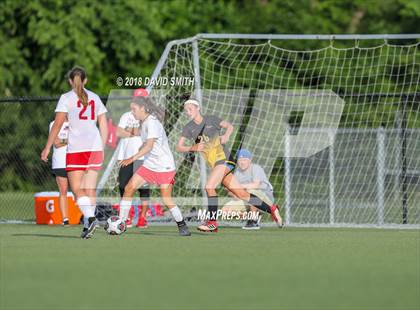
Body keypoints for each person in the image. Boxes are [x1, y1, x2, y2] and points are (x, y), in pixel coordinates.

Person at [176, 98, 282, 232]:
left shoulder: (211, 119)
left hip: (225, 159)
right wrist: (193, 147)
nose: (188, 112)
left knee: (209, 187)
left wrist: (226, 135)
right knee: (242, 194)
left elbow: (229, 126)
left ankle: (212, 222)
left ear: (198, 108)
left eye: (190, 109)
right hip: (215, 164)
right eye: (186, 110)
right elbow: (179, 147)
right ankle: (272, 209)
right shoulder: (189, 127)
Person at [41, 66, 108, 239]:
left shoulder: (66, 98)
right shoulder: (94, 97)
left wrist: (48, 147)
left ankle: (90, 219)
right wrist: (103, 147)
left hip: (77, 149)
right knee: (90, 189)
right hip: (95, 148)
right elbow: (104, 124)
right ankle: (87, 226)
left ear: (70, 81)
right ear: (85, 80)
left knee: (77, 189)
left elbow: (57, 125)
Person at [118, 96, 191, 236]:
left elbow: (150, 146)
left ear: (143, 108)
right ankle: (121, 223)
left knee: (166, 198)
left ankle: (182, 225)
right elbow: (147, 144)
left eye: (134, 109)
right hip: (150, 164)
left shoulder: (152, 122)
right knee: (129, 188)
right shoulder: (144, 122)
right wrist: (140, 146)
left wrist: (131, 158)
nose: (132, 113)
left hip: (164, 165)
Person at [222, 149, 280, 230]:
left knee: (252, 192)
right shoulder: (237, 172)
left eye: (245, 160)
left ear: (250, 160)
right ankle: (252, 216)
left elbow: (256, 185)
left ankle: (253, 220)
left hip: (265, 200)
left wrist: (239, 187)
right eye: (240, 160)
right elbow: (229, 189)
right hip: (247, 199)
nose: (242, 162)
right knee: (225, 211)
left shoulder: (256, 168)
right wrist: (234, 193)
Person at [116, 100, 150, 228]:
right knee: (123, 186)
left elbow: (143, 133)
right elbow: (119, 132)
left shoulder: (149, 117)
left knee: (144, 189)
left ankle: (142, 218)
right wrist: (133, 131)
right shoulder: (126, 115)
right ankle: (127, 217)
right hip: (126, 157)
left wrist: (129, 130)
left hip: (144, 157)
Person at [49, 119, 70, 225]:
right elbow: (56, 142)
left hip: (75, 161)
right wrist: (69, 140)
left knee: (80, 190)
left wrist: (64, 140)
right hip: (60, 162)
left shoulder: (76, 122)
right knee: (63, 190)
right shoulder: (54, 124)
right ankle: (65, 219)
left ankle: (86, 217)